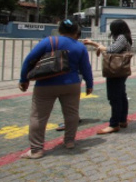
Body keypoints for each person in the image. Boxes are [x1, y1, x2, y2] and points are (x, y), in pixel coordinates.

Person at [18, 19, 93, 159]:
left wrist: (24, 79)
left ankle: (36, 150)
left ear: (59, 30)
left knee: (38, 116)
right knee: (71, 114)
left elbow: (29, 60)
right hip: (72, 84)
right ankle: (70, 141)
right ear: (76, 31)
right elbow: (86, 68)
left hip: (46, 84)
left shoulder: (48, 41)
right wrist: (89, 84)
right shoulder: (80, 46)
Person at [83, 19, 133, 134]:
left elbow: (112, 50)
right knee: (121, 95)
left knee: (114, 97)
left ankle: (114, 124)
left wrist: (96, 45)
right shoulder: (125, 37)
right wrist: (94, 44)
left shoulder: (121, 37)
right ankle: (122, 120)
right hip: (121, 71)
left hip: (116, 71)